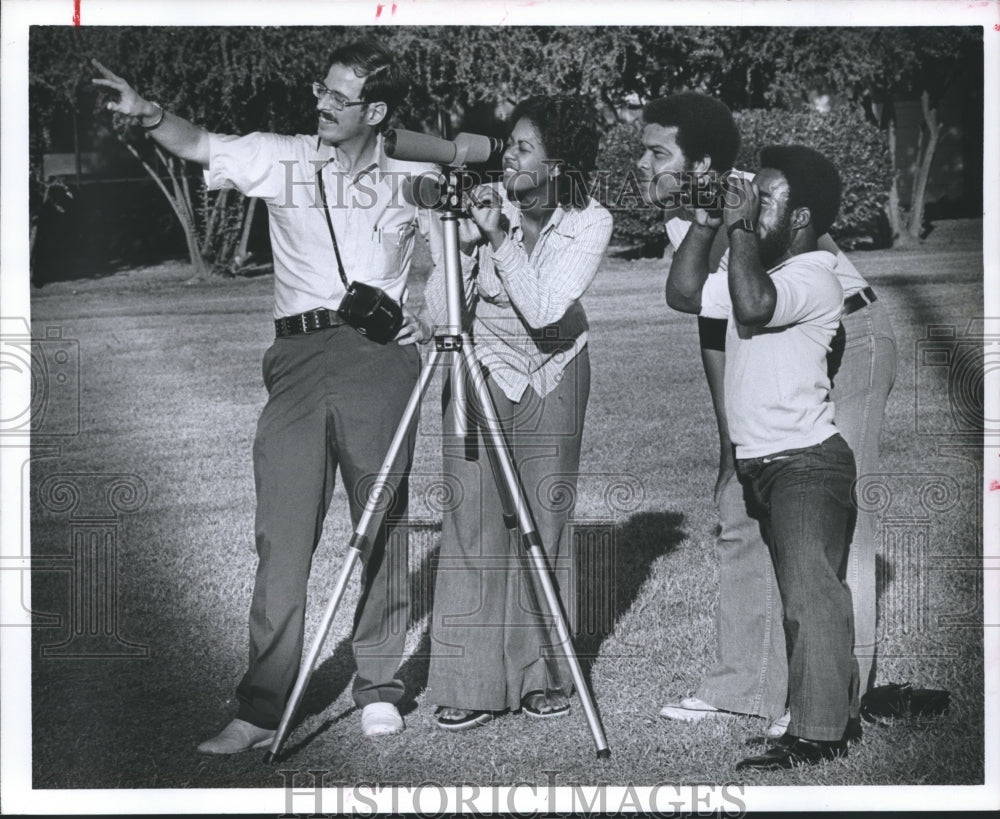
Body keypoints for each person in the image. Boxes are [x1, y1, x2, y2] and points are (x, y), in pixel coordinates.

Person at [93, 39, 435, 753]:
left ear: (375, 109)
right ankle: (260, 707)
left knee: (381, 523)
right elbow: (199, 143)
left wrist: (424, 314)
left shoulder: (416, 173)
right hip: (297, 357)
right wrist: (149, 111)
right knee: (282, 533)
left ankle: (379, 688)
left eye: (339, 97)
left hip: (381, 360)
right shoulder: (282, 156)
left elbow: (445, 255)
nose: (321, 102)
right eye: (321, 89)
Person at [638, 93, 896, 735]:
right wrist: (733, 442)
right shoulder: (693, 215)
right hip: (769, 331)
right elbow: (711, 321)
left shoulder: (759, 197)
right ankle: (747, 687)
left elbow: (767, 297)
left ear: (700, 161)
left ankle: (838, 700)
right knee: (745, 509)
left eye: (655, 152)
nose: (642, 165)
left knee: (837, 526)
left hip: (848, 336)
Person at [421, 96, 612, 730]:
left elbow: (546, 308)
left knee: (543, 521)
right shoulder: (484, 207)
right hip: (481, 366)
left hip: (553, 369)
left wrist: (501, 240)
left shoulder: (590, 223)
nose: (509, 158)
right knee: (473, 521)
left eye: (524, 148)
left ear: (559, 164)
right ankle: (470, 681)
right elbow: (441, 308)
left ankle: (542, 675)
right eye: (508, 146)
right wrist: (460, 243)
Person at [670, 144, 859, 768]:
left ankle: (822, 734)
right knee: (794, 593)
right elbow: (686, 293)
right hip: (766, 464)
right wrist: (706, 222)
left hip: (806, 463)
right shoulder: (758, 272)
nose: (751, 208)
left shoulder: (813, 274)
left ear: (800, 218)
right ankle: (823, 718)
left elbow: (752, 306)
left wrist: (740, 227)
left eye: (767, 199)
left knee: (810, 596)